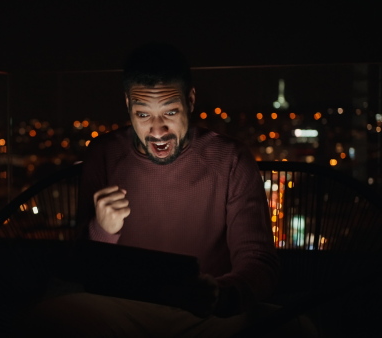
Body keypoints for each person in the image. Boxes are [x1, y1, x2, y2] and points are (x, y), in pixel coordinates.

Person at [21, 42, 303, 337]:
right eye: (143, 115)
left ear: (190, 101)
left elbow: (259, 260)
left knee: (297, 328)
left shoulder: (230, 158)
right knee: (47, 317)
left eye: (170, 112)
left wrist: (222, 293)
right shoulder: (104, 153)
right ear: (128, 106)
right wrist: (101, 229)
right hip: (124, 310)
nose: (157, 131)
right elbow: (79, 265)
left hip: (208, 315)